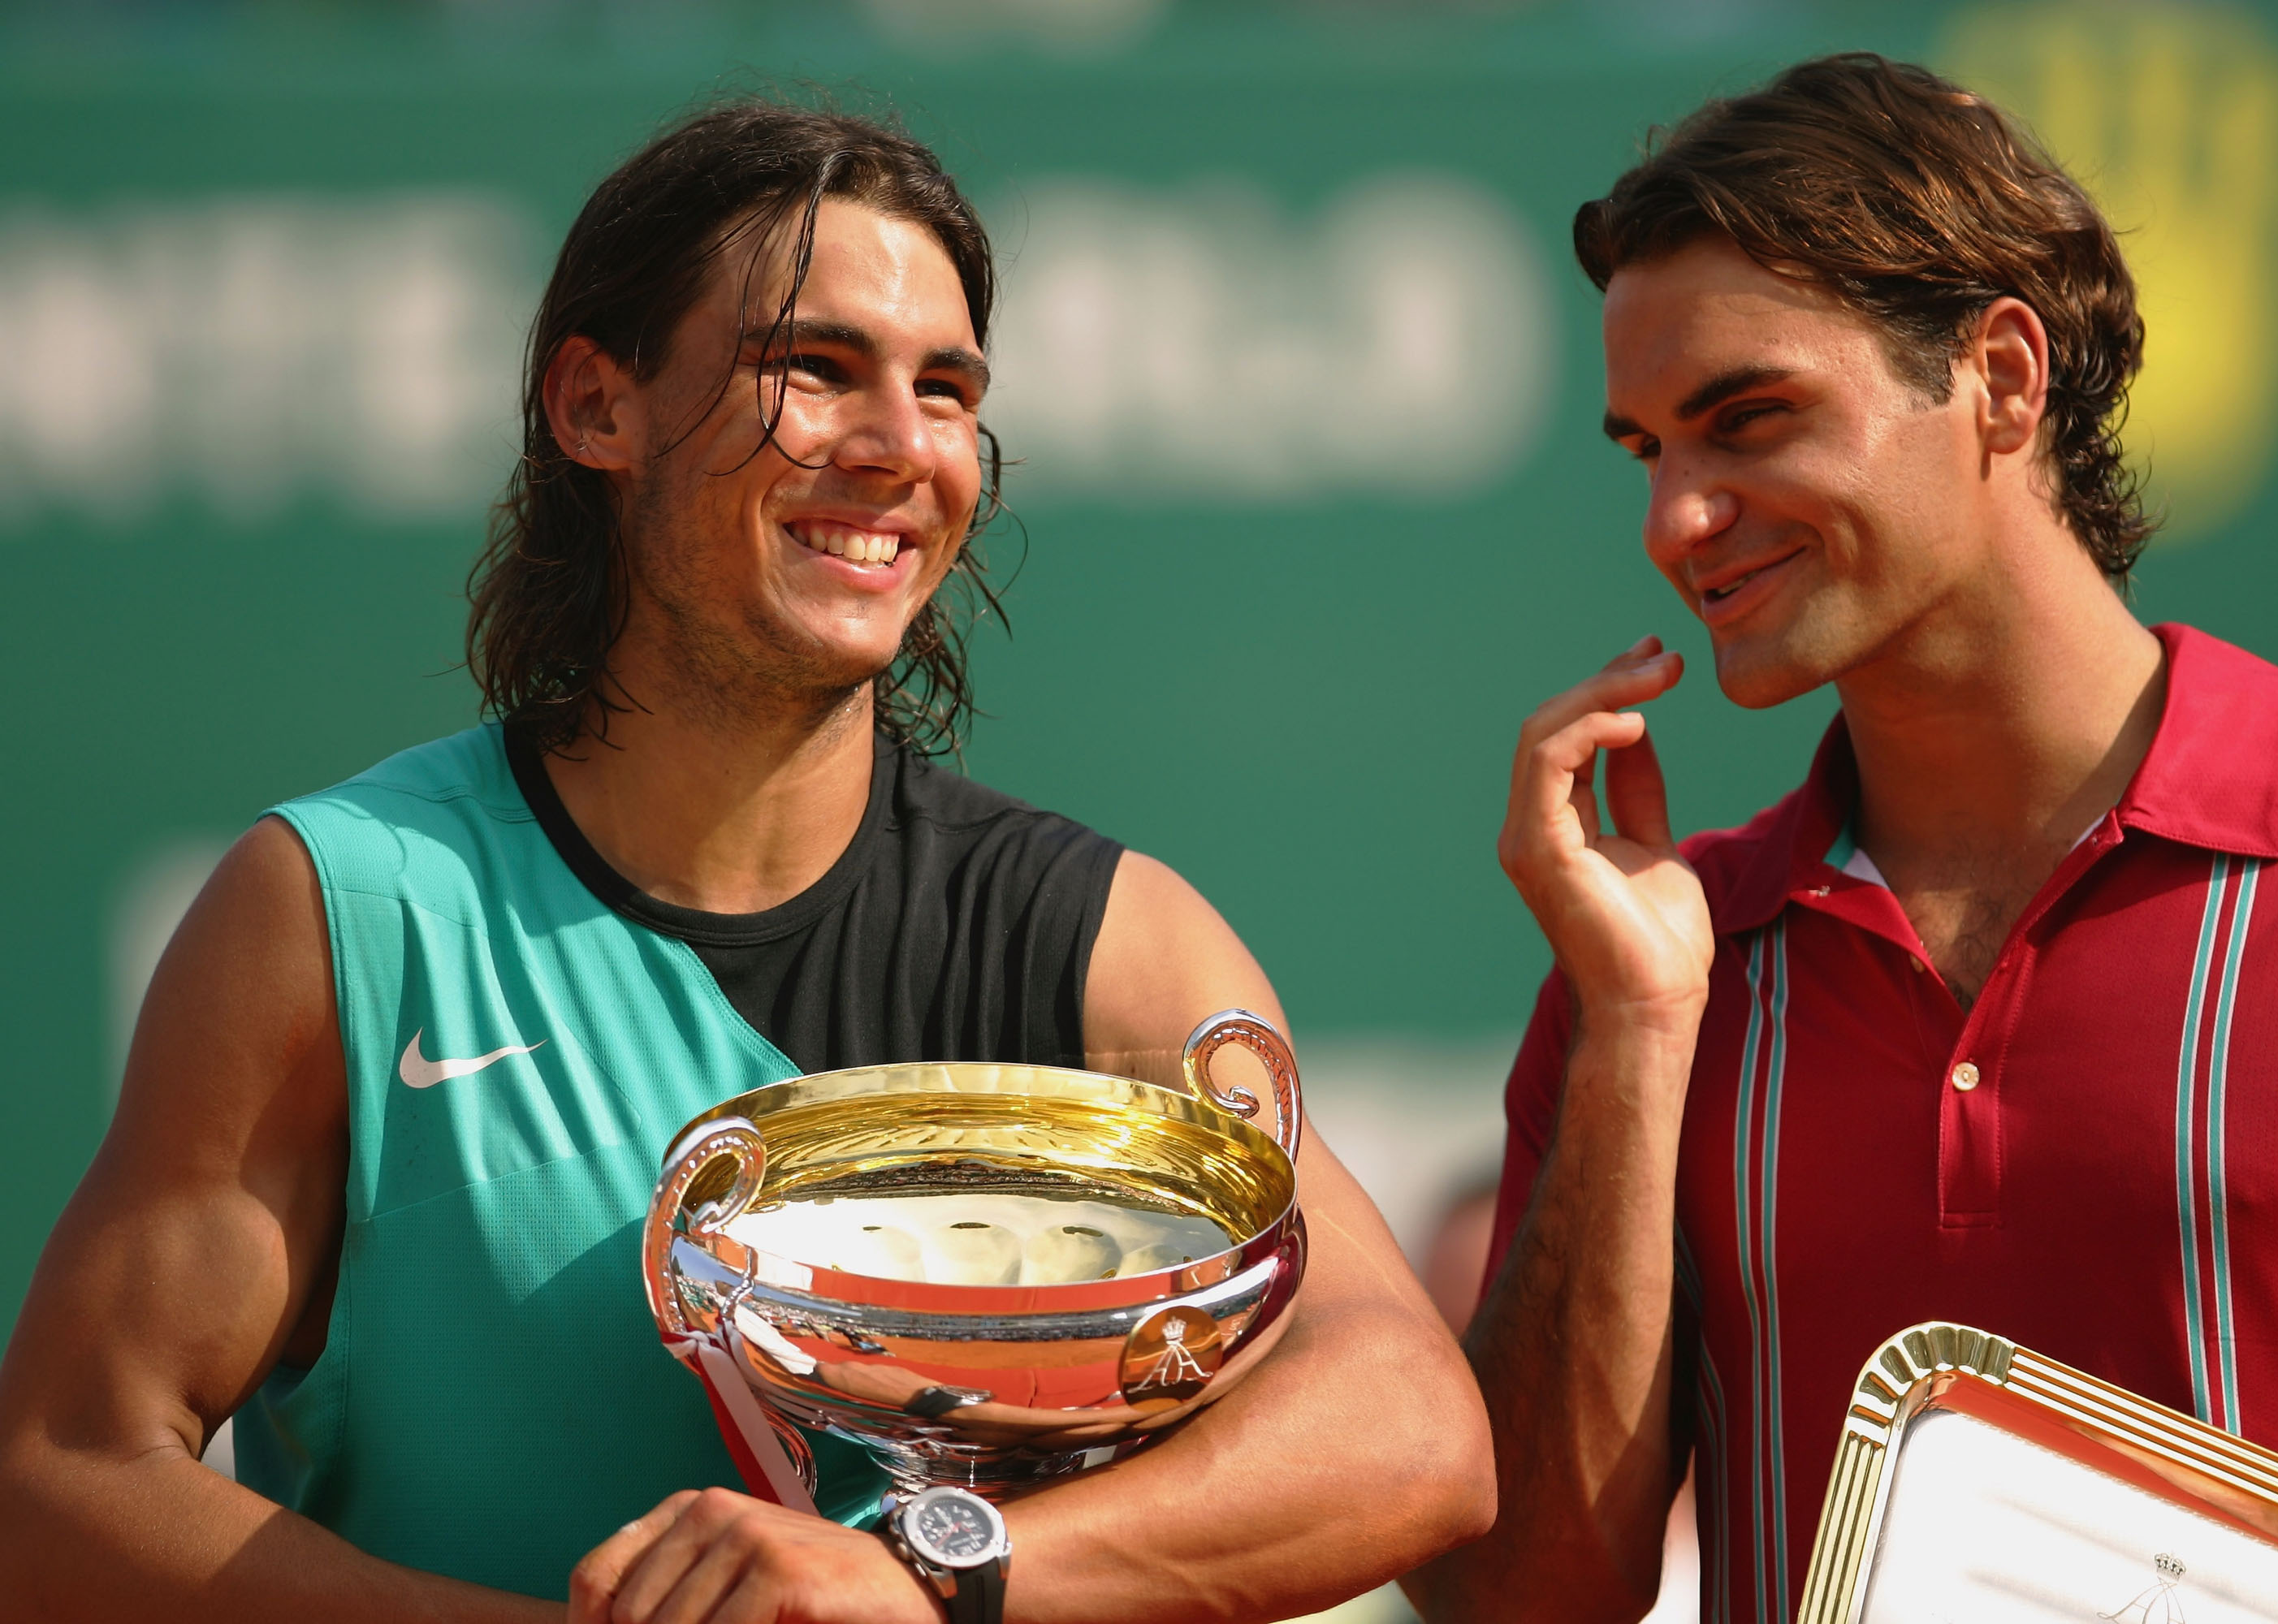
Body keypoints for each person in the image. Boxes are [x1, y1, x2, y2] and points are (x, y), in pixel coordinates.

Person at [0, 100, 1493, 1622]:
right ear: (597, 407)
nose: (902, 446)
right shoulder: (343, 915)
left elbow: (1411, 1432)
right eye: (815, 367)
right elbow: (60, 1487)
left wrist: (918, 1581)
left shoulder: (1107, 940)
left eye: (948, 389)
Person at [1410, 54, 2278, 1622]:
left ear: (2003, 381)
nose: (1676, 518)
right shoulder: (1666, 961)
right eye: (1647, 449)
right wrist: (1634, 1027)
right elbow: (1523, 1597)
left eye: (1747, 419)